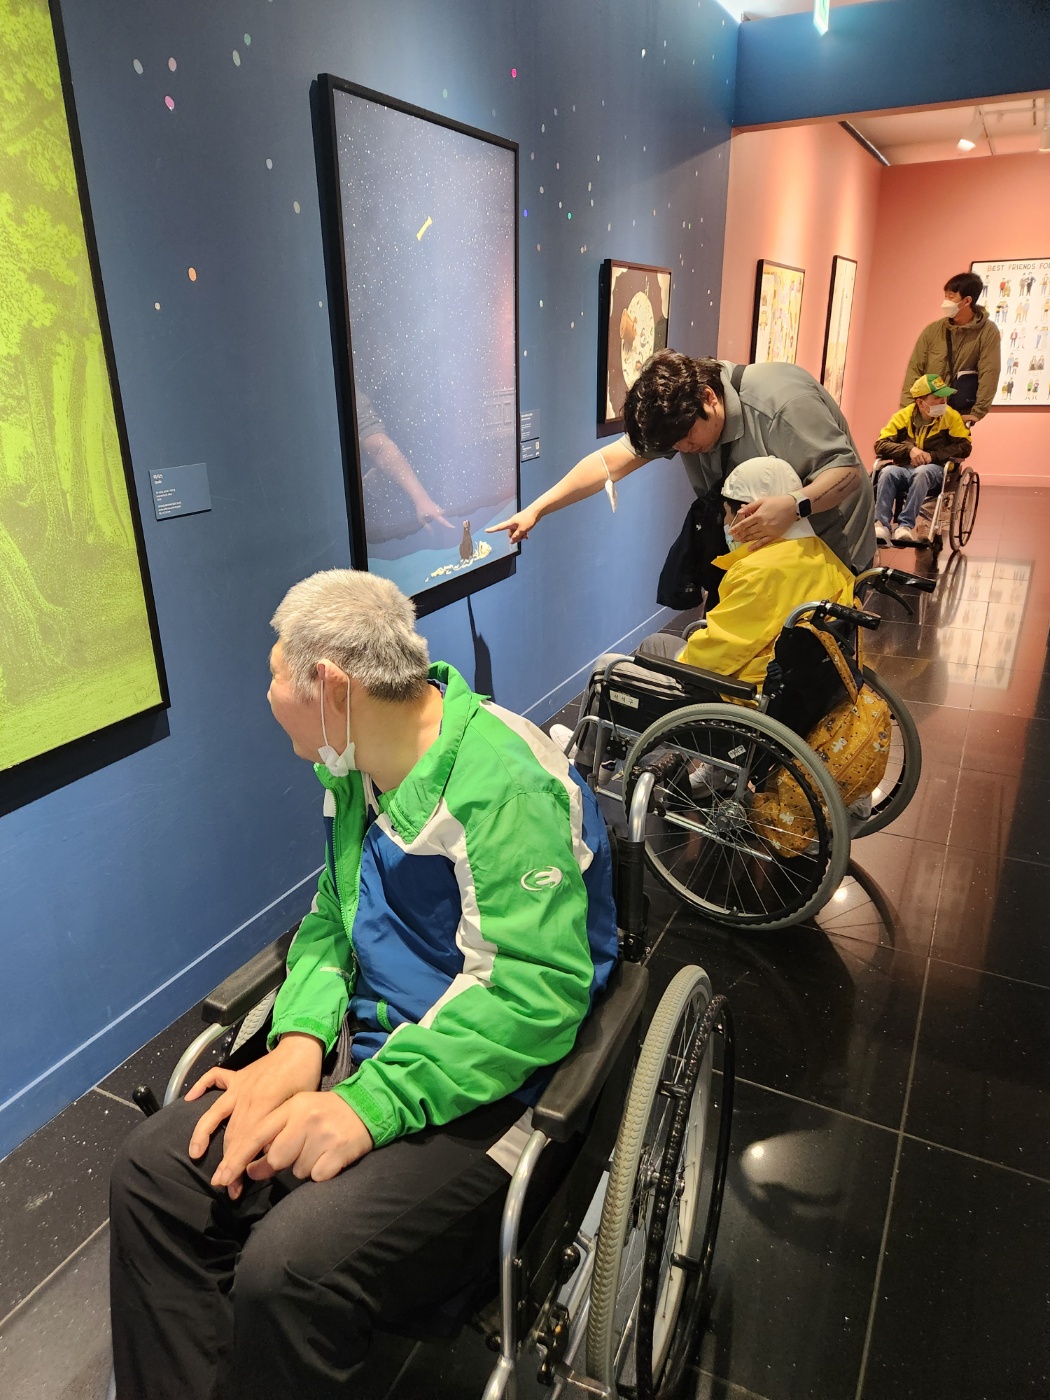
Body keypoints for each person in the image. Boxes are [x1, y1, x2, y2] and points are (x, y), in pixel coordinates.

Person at [108, 569, 618, 1400]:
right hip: (372, 1055)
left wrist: (363, 1106)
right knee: (153, 1173)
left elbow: (531, 998)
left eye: (277, 675)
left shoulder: (506, 785)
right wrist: (300, 1042)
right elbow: (331, 916)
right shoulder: (353, 767)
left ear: (332, 686)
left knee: (289, 1269)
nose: (267, 695)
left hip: (491, 1091)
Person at [551, 457, 855, 759]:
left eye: (726, 513)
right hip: (779, 690)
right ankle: (630, 748)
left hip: (737, 700)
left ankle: (585, 762)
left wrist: (681, 662)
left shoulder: (760, 571)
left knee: (607, 669)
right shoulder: (822, 556)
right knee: (654, 644)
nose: (724, 523)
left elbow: (717, 654)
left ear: (748, 515)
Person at [490, 352, 875, 574]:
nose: (683, 449)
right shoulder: (676, 416)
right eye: (673, 445)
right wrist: (537, 510)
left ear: (709, 397)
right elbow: (610, 463)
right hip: (768, 555)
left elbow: (846, 472)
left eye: (687, 438)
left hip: (832, 546)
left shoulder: (780, 403)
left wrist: (794, 506)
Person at [874, 374, 972, 545]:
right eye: (937, 397)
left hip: (937, 470)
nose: (943, 402)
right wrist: (909, 450)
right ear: (920, 402)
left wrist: (932, 456)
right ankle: (882, 525)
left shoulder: (951, 417)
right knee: (888, 471)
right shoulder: (903, 417)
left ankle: (905, 526)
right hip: (905, 467)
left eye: (944, 397)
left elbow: (965, 446)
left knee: (922, 472)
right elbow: (880, 445)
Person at [900, 271, 1001, 427]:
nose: (945, 301)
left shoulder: (987, 331)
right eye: (945, 295)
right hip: (926, 412)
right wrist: (908, 411)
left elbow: (989, 373)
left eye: (951, 296)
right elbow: (914, 370)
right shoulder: (933, 330)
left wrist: (977, 413)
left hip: (958, 414)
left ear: (967, 301)